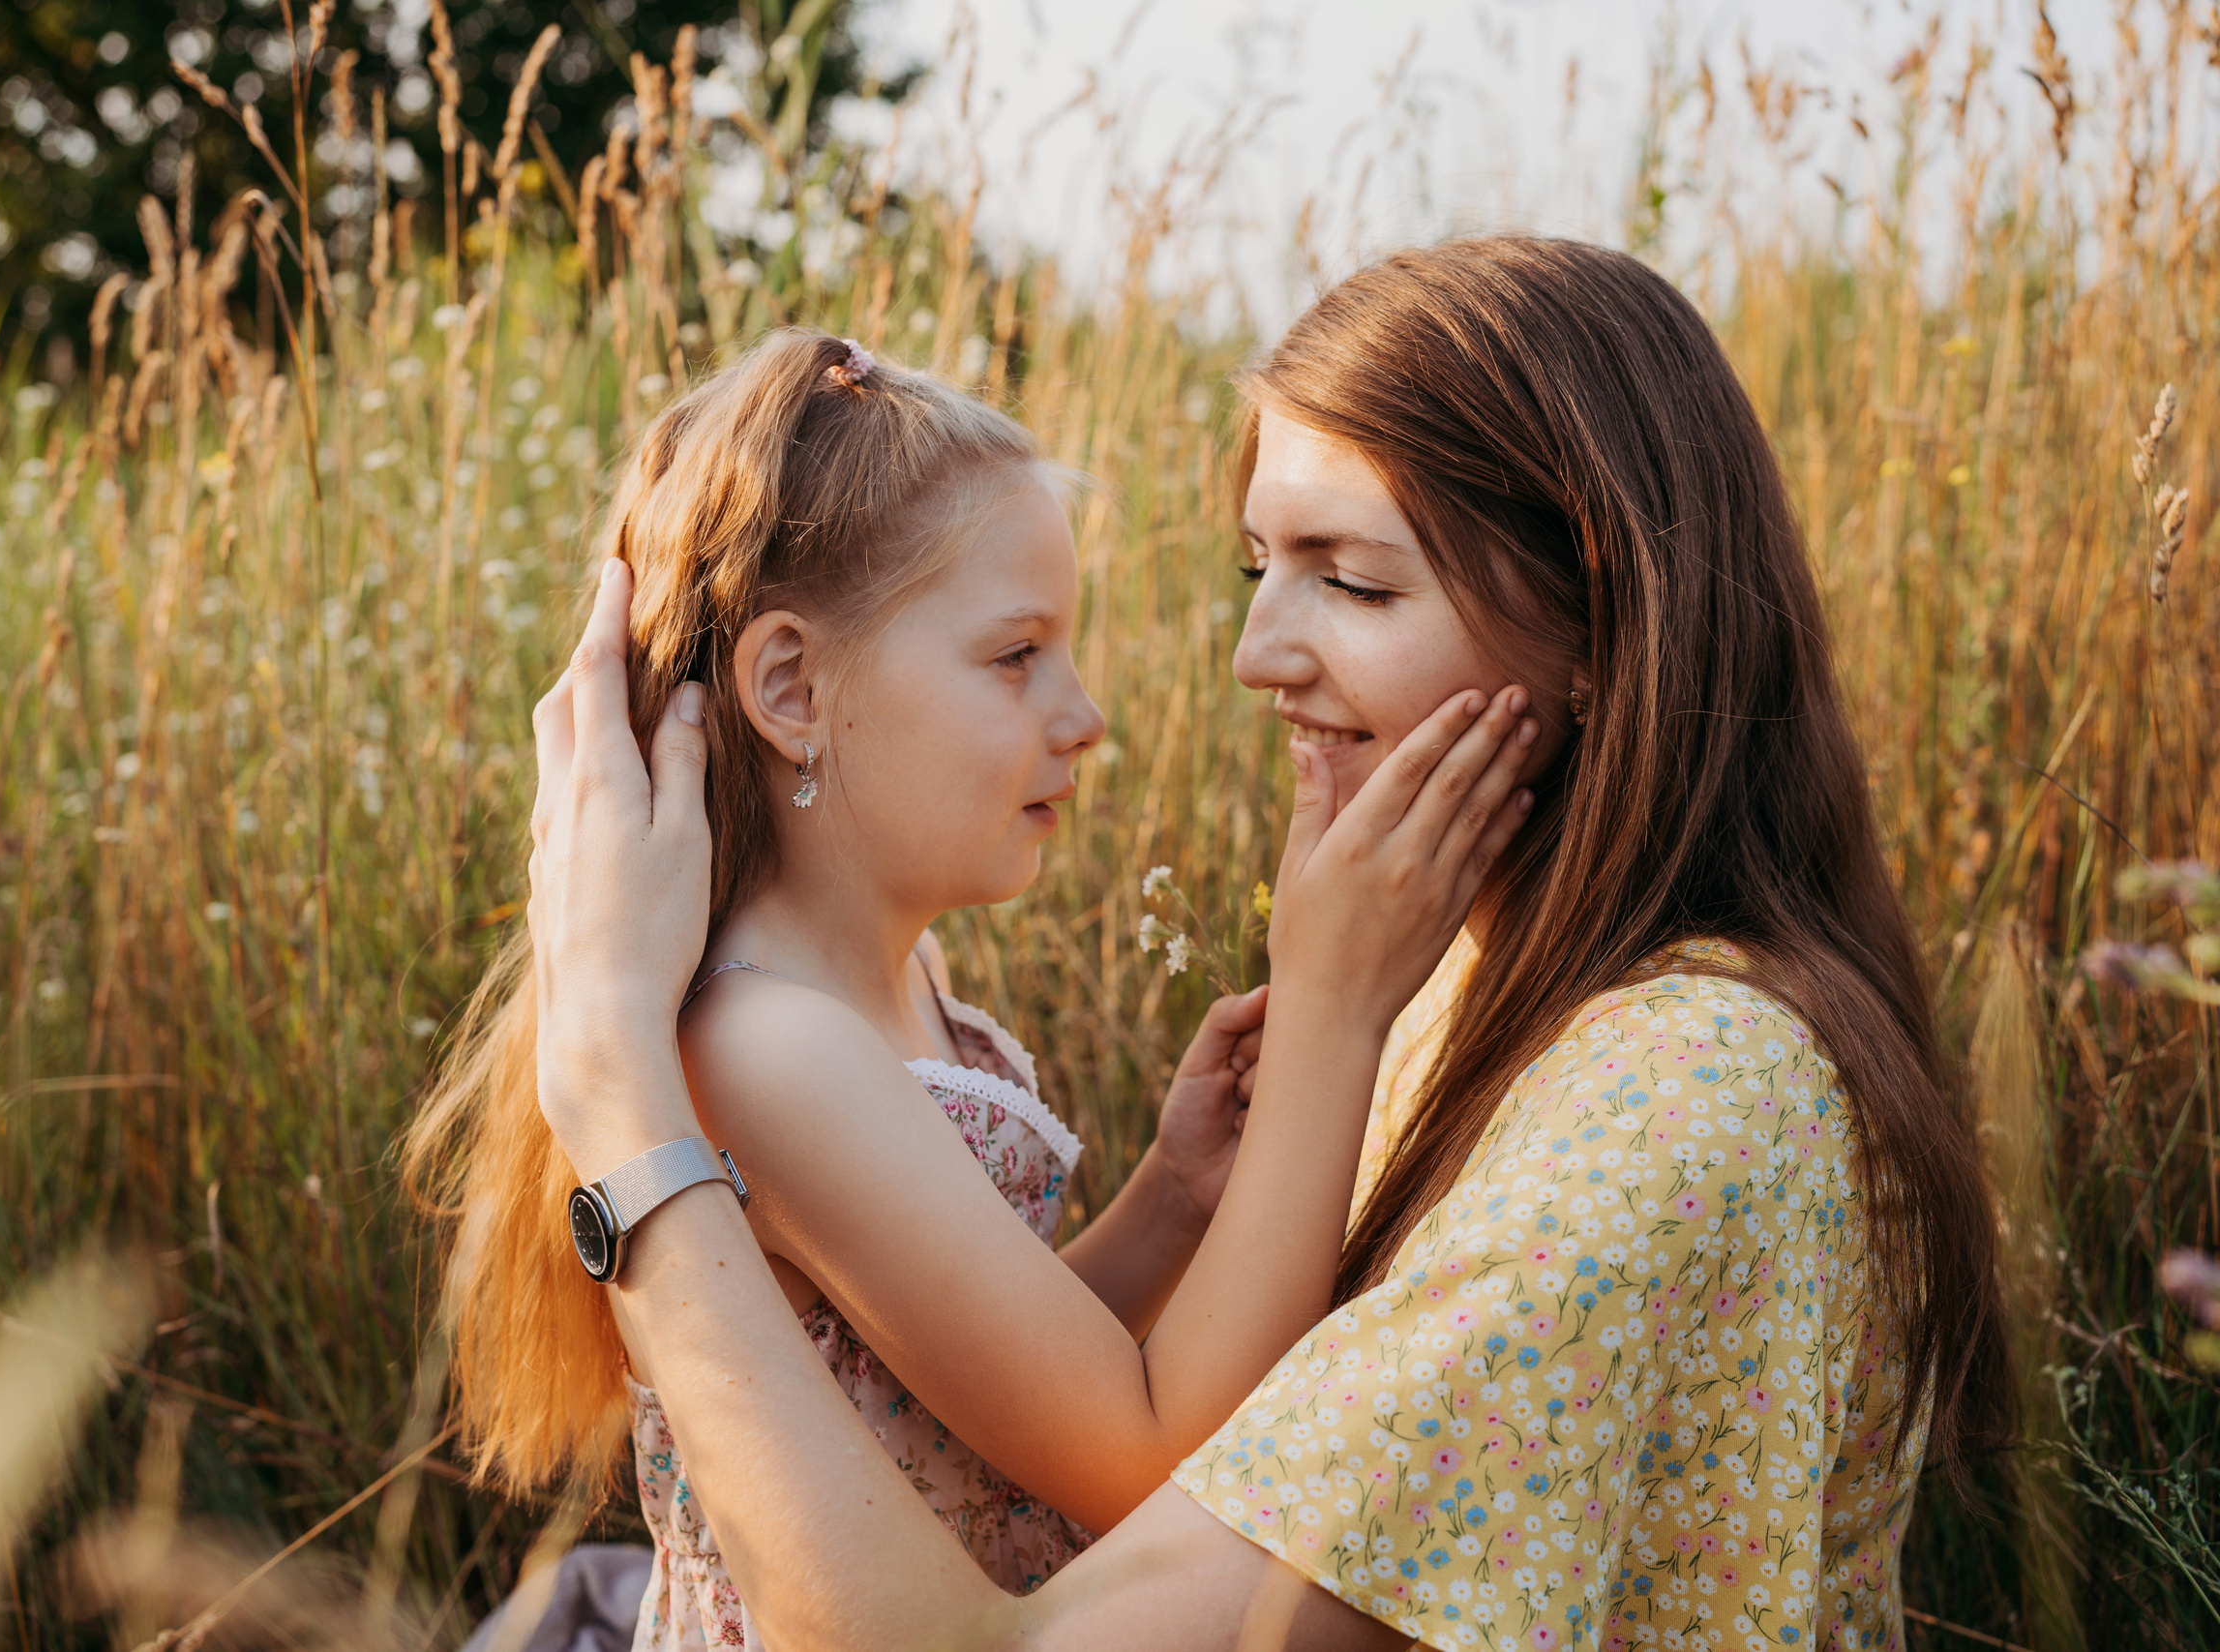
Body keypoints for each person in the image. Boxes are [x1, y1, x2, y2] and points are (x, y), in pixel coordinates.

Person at [519, 238, 2014, 1650]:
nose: (1253, 658)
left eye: (1355, 582)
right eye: (1261, 572)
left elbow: (1110, 1468)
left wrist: (618, 1098)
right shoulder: (1490, 999)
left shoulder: (1661, 1112)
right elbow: (1100, 1429)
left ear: (1605, 623)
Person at [405, 330, 1542, 1647]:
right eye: (1016, 658)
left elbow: (984, 1382)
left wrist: (1167, 1205)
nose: (1085, 715)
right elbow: (1144, 1446)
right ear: (791, 687)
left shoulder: (896, 983)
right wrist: (1333, 1013)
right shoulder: (775, 1049)